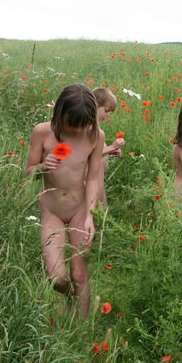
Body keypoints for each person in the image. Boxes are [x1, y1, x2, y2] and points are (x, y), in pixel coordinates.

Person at [25, 83, 105, 318]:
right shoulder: (42, 132)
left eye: (82, 126)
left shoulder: (95, 136)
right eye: (72, 125)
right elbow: (28, 171)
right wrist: (41, 167)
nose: (76, 131)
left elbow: (92, 179)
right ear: (60, 114)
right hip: (52, 212)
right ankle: (71, 297)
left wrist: (91, 215)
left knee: (79, 275)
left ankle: (80, 334)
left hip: (80, 209)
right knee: (57, 278)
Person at [93, 87, 125, 209]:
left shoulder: (98, 130)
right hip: (91, 183)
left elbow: (99, 152)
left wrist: (110, 151)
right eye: (106, 111)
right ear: (94, 106)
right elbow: (88, 155)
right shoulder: (89, 129)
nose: (108, 115)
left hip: (99, 181)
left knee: (102, 214)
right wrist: (111, 147)